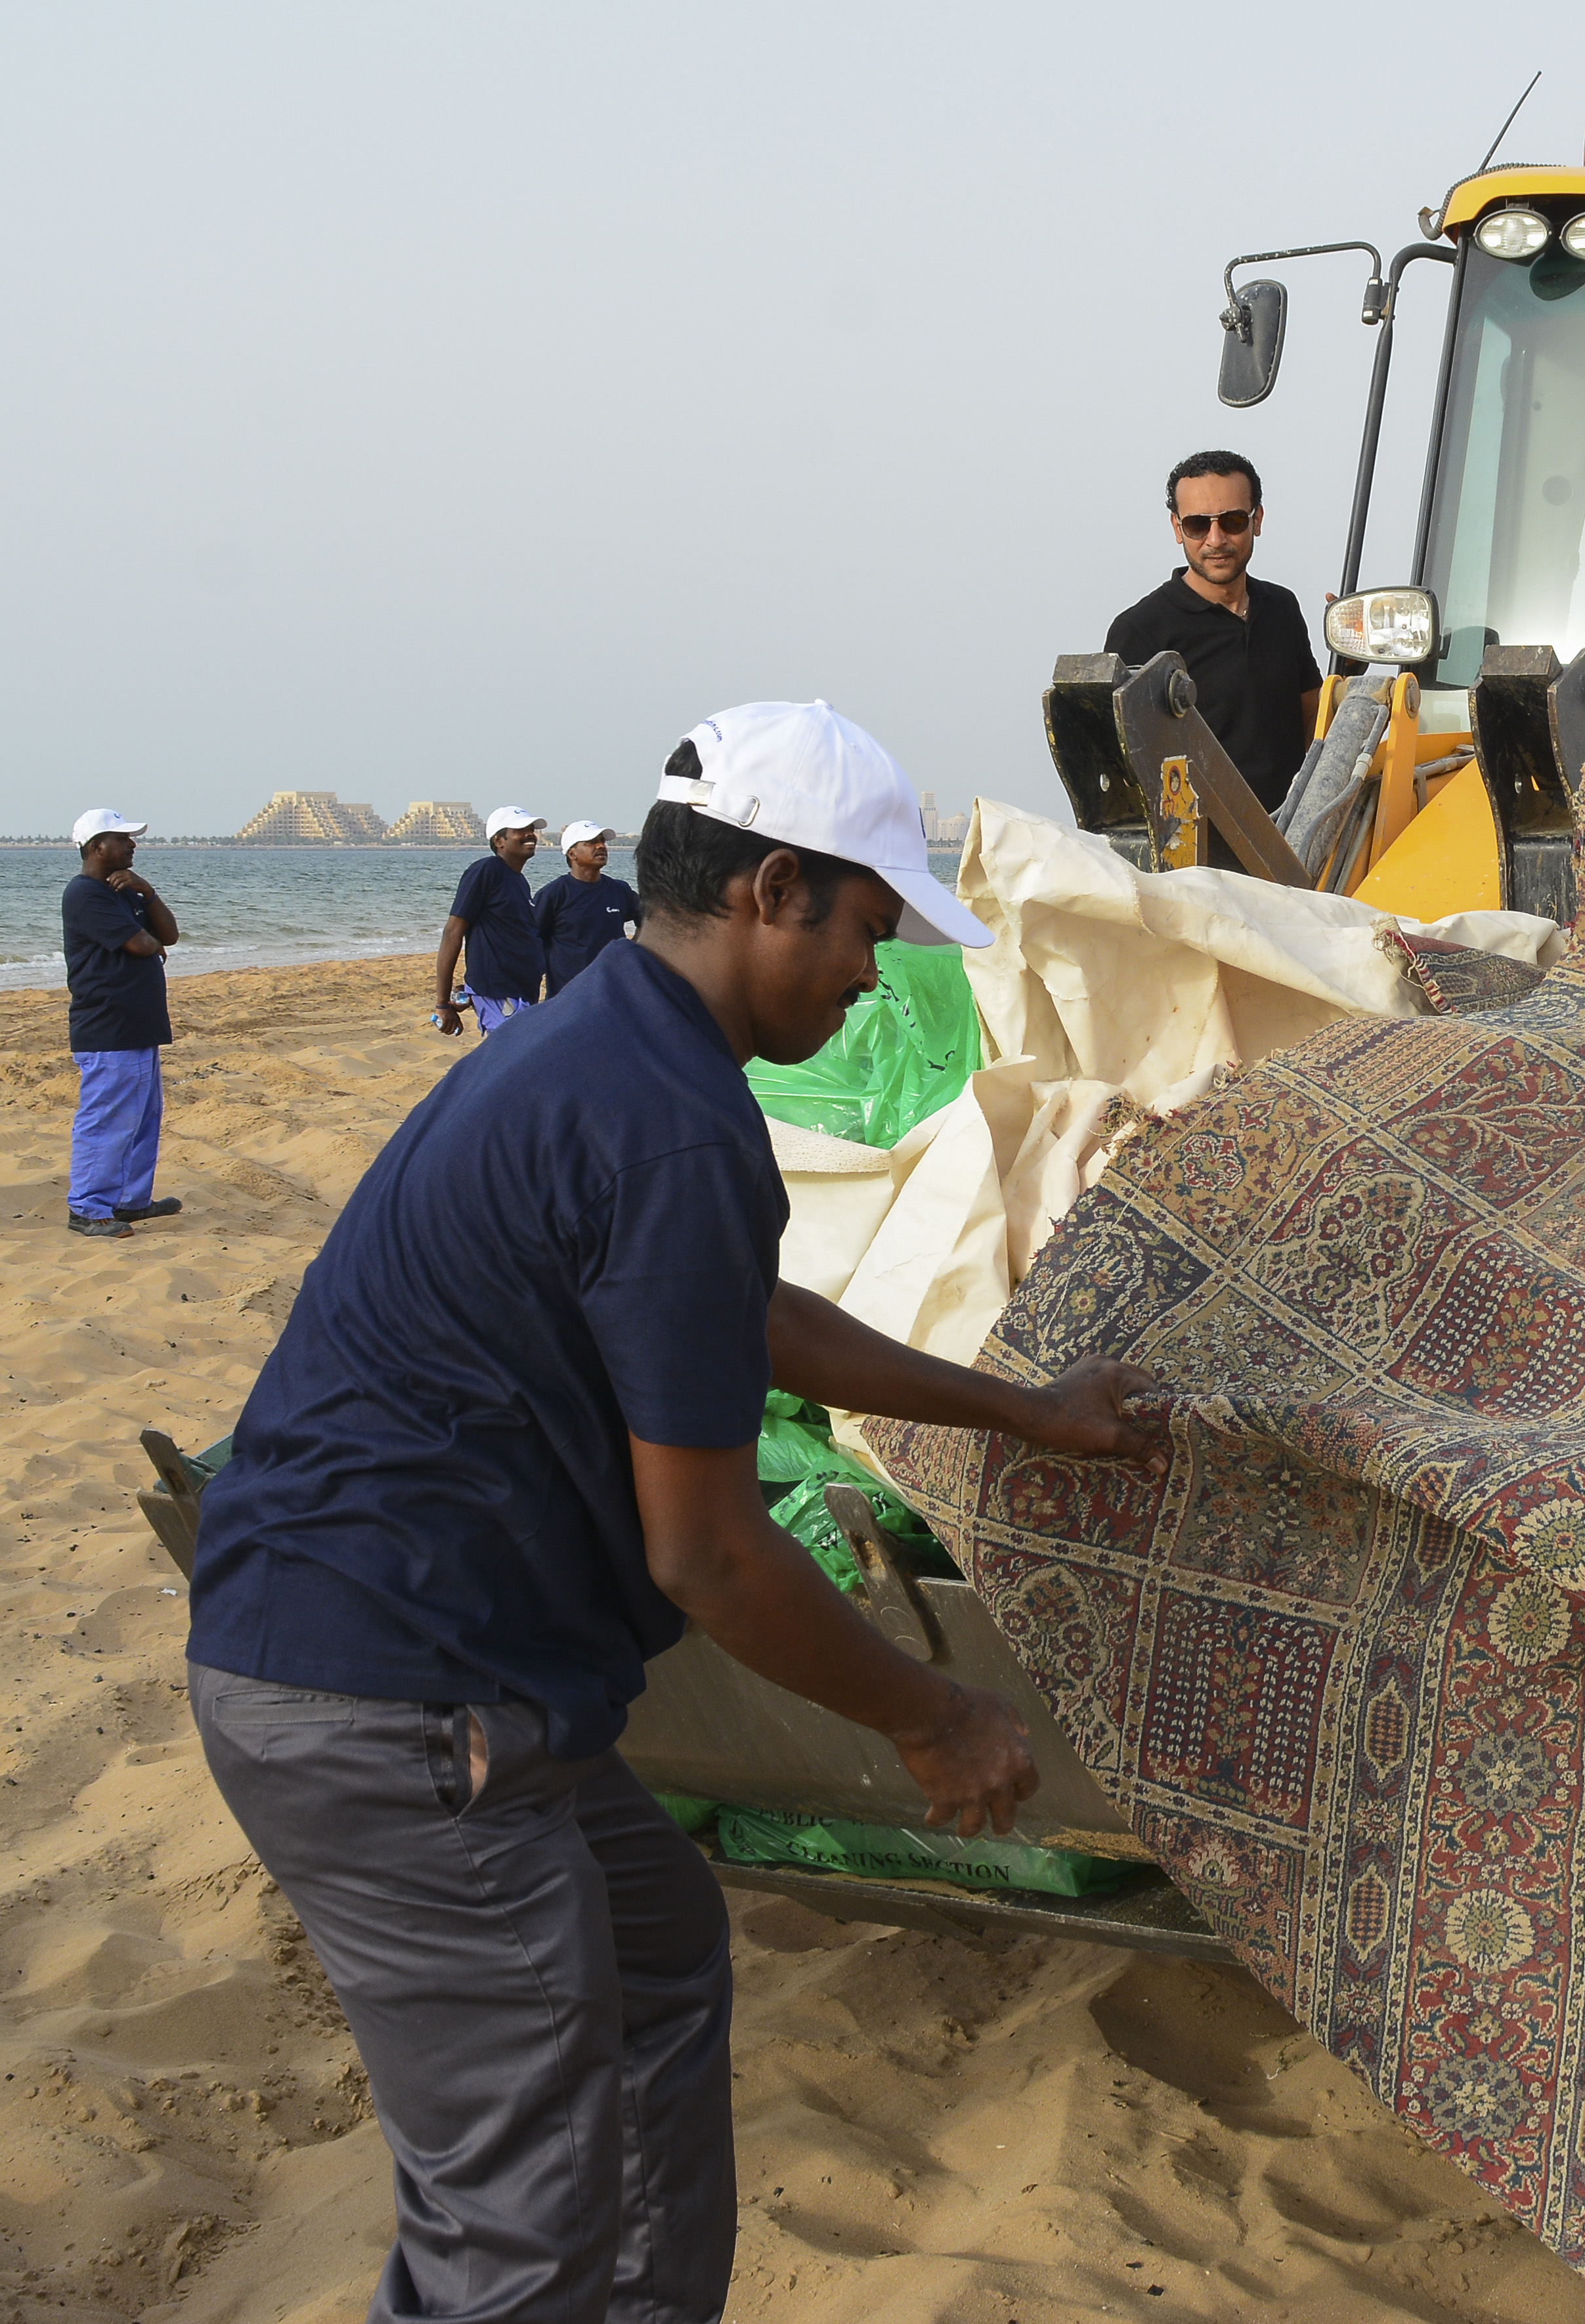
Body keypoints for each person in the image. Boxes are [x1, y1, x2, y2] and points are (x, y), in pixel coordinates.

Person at [185, 700, 1157, 2324]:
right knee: (516, 2228)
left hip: (431, 1672)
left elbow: (745, 1312)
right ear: (776, 887)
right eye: (863, 927)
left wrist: (1018, 1405)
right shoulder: (670, 1119)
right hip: (395, 1702)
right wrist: (931, 1714)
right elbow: (705, 1551)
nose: (870, 975)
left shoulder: (615, 1044)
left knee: (657, 1969)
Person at [1104, 449, 1320, 812]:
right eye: (1197, 525)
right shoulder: (1139, 631)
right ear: (1177, 528)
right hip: (1196, 860)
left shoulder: (1282, 607)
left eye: (1233, 521)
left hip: (1293, 843)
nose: (1215, 540)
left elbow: (1313, 720)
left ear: (1258, 520)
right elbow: (1122, 770)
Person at [62, 809, 183, 1239]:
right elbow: (140, 943)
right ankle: (88, 1208)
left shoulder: (126, 891)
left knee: (142, 1116)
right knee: (108, 1118)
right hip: (108, 1026)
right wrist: (149, 946)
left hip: (137, 1024)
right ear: (97, 847)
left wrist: (147, 892)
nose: (133, 845)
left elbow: (167, 936)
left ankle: (130, 1201)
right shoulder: (85, 894)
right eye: (123, 839)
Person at [435, 806, 546, 1036]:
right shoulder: (487, 870)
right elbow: (453, 932)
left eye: (532, 829)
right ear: (499, 840)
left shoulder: (519, 881)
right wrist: (443, 1004)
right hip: (498, 992)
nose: (530, 834)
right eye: (521, 830)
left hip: (520, 993)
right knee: (512, 1061)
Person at [531, 819, 640, 997]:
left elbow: (649, 917)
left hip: (614, 990)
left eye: (602, 842)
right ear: (572, 854)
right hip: (568, 995)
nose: (600, 847)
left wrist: (632, 948)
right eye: (591, 843)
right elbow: (533, 941)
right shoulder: (554, 894)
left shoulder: (619, 890)